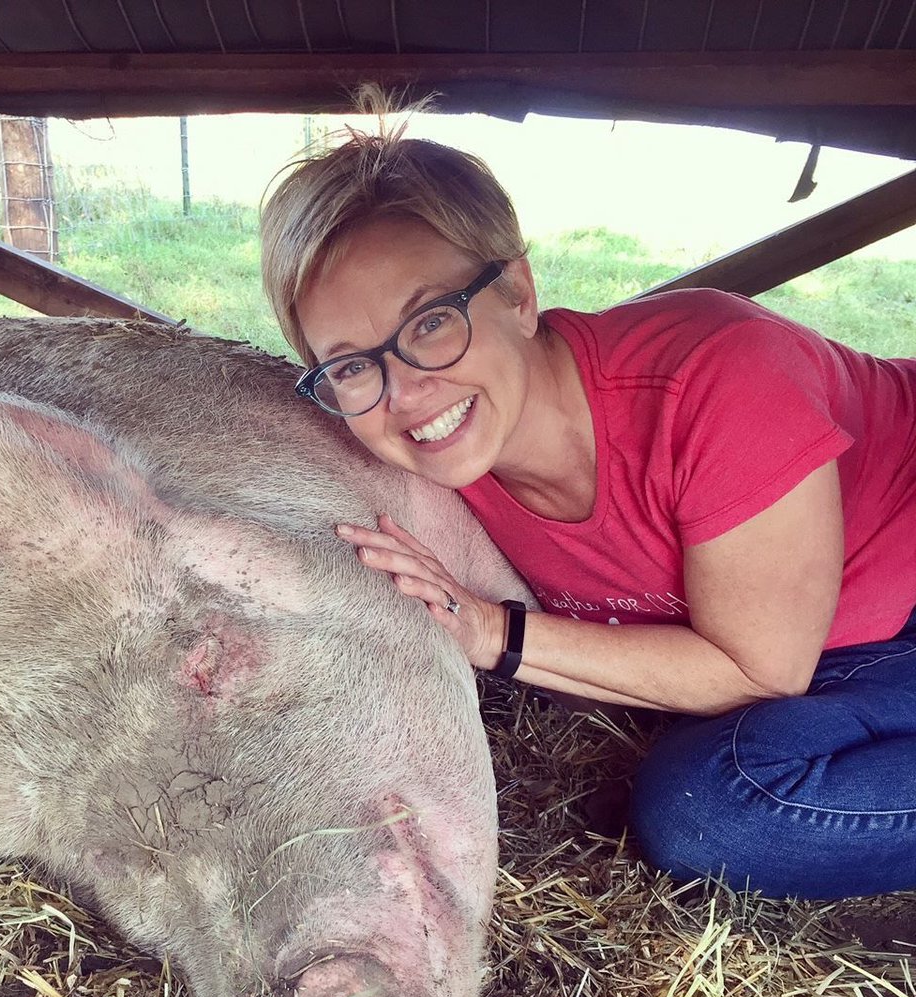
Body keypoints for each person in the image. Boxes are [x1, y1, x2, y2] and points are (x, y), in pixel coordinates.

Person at [258, 120, 916, 902]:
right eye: (352, 365)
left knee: (720, 810)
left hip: (891, 605)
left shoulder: (717, 377)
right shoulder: (429, 454)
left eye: (432, 321)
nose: (403, 392)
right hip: (821, 647)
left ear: (518, 292)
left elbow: (759, 669)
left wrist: (492, 633)